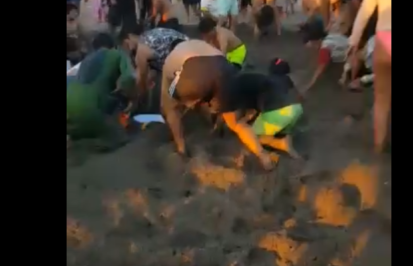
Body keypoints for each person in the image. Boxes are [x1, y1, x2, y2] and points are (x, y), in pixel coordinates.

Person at [159, 39, 274, 170]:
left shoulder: (170, 59)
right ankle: (263, 155)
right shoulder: (200, 44)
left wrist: (174, 107)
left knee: (171, 106)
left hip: (196, 77)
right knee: (236, 123)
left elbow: (165, 99)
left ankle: (181, 148)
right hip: (225, 71)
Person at [345, 0, 391, 153]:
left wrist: (354, 40)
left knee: (381, 99)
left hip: (384, 38)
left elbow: (365, 10)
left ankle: (378, 147)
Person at [66, 33, 135, 144]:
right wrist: (132, 100)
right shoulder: (117, 54)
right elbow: (128, 78)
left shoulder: (85, 61)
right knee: (122, 138)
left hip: (70, 117)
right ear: (112, 46)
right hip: (93, 110)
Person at [244, 58, 304, 159]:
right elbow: (299, 96)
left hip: (276, 114)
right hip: (296, 110)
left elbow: (258, 103)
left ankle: (281, 144)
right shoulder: (287, 79)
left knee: (252, 136)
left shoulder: (264, 81)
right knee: (285, 124)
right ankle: (292, 149)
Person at [302, 0, 355, 94]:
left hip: (341, 37)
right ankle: (314, 76)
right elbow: (329, 26)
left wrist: (333, 31)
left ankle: (312, 83)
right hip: (332, 36)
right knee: (314, 43)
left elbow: (347, 27)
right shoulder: (332, 8)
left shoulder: (347, 9)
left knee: (324, 49)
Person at [119, 25, 188, 102]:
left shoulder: (142, 49)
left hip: (183, 62)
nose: (128, 49)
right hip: (190, 50)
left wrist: (140, 96)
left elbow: (142, 77)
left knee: (169, 96)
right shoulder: (148, 36)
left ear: (129, 37)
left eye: (126, 45)